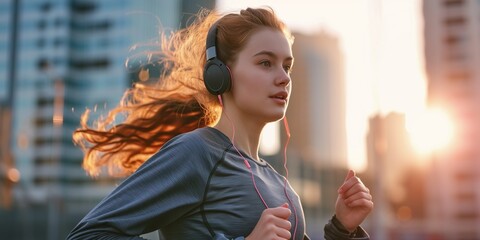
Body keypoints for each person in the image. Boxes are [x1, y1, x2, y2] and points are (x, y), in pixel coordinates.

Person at [67, 6, 373, 240]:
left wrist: (341, 227)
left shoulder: (277, 180)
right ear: (220, 75)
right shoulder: (196, 152)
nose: (283, 78)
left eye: (287, 66)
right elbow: (89, 234)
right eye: (265, 63)